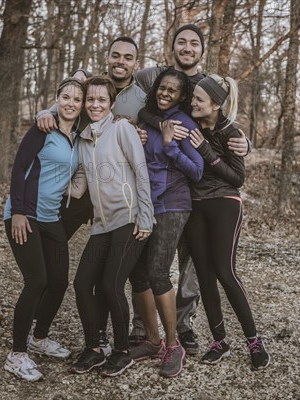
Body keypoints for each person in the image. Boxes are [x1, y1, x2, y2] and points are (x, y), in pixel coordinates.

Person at [129, 24, 248, 353]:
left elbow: (225, 121)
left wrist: (244, 142)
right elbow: (126, 87)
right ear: (172, 47)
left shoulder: (208, 83)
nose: (187, 47)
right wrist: (152, 124)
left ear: (201, 50)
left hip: (196, 192)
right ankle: (144, 326)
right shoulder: (153, 75)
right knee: (150, 262)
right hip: (165, 188)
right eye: (181, 41)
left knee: (191, 266)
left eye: (193, 43)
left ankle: (183, 326)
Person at [68, 76, 155, 377]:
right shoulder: (83, 139)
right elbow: (79, 187)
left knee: (110, 285)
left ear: (112, 103)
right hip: (102, 225)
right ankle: (94, 348)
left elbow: (141, 172)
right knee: (81, 284)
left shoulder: (121, 129)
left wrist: (146, 216)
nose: (95, 105)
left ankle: (121, 351)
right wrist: (49, 185)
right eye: (90, 100)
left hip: (129, 220)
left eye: (101, 100)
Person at [185, 74, 271, 370]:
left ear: (216, 104)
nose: (192, 102)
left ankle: (255, 342)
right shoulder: (191, 121)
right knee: (204, 275)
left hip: (224, 202)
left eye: (199, 99)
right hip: (195, 205)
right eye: (193, 98)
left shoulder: (231, 132)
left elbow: (238, 179)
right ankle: (219, 341)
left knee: (224, 270)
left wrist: (207, 152)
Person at [2, 77, 85, 381]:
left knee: (59, 281)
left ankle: (39, 338)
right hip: (25, 216)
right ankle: (17, 354)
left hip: (51, 219)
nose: (71, 103)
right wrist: (20, 212)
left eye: (77, 99)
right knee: (37, 281)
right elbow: (19, 167)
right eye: (66, 96)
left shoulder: (76, 136)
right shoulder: (43, 128)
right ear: (57, 98)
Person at [128, 69, 203, 378]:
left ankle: (174, 345)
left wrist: (171, 145)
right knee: (137, 272)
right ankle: (152, 339)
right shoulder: (147, 118)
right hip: (146, 202)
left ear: (182, 96)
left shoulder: (184, 124)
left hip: (173, 204)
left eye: (173, 90)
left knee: (159, 271)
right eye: (162, 87)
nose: (165, 93)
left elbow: (197, 171)